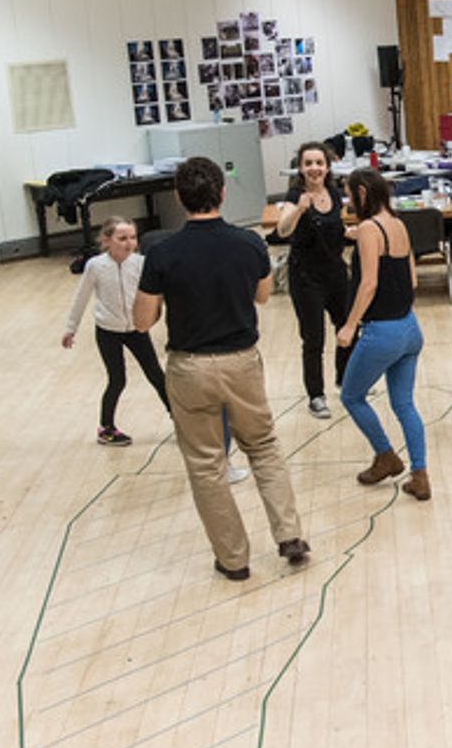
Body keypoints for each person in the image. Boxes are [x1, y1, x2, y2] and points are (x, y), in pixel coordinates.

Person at [134, 157, 309, 582]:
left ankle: (233, 560)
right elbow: (263, 297)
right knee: (263, 445)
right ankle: (289, 536)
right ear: (223, 193)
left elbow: (142, 321)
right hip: (241, 361)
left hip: (189, 367)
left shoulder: (162, 252)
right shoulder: (249, 243)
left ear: (179, 197)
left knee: (206, 464)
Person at [336, 168, 430, 501]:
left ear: (362, 193)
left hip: (382, 332)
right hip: (409, 328)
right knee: (404, 403)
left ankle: (385, 455)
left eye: (349, 194)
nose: (348, 201)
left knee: (351, 396)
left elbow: (370, 282)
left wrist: (349, 326)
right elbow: (413, 281)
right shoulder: (398, 224)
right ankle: (420, 475)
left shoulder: (367, 228)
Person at [62, 216, 169, 446]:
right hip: (107, 331)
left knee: (156, 376)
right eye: (122, 238)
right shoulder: (95, 266)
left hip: (136, 329)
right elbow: (81, 297)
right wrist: (71, 328)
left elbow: (157, 294)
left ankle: (180, 419)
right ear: (106, 240)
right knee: (117, 379)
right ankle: (106, 428)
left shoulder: (141, 263)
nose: (128, 243)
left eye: (132, 237)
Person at [275, 142, 351, 418]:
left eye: (319, 163)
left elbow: (336, 227)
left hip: (335, 272)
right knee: (313, 337)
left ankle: (345, 380)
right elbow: (282, 230)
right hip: (306, 276)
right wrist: (298, 209)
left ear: (327, 167)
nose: (314, 168)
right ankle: (316, 396)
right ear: (301, 168)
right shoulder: (295, 194)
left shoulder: (334, 191)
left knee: (347, 329)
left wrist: (351, 233)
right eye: (308, 163)